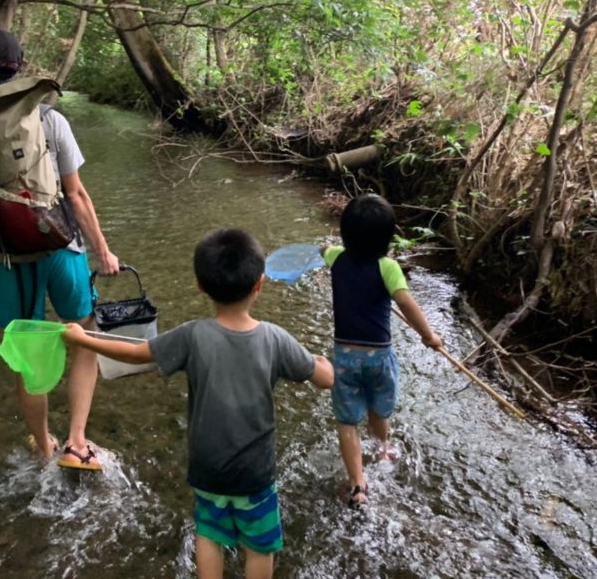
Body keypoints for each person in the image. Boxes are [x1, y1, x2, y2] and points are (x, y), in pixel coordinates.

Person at [63, 228, 334, 579]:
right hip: (255, 471)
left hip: (208, 468)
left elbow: (134, 354)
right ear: (259, 285)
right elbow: (324, 379)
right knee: (260, 544)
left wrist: (85, 338)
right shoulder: (275, 339)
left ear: (201, 287)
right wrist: (324, 362)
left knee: (210, 536)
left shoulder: (192, 335)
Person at [0, 21, 119, 470]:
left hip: (10, 259)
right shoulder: (49, 119)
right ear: (18, 69)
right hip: (62, 249)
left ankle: (43, 446)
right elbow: (76, 194)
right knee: (84, 337)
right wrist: (103, 250)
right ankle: (78, 441)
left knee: (29, 355)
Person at [320, 193, 443, 510]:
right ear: (388, 239)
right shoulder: (388, 267)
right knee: (378, 408)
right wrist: (429, 337)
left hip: (345, 357)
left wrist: (324, 248)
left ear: (345, 233)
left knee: (347, 422)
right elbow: (405, 302)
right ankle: (383, 448)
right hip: (379, 358)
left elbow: (324, 250)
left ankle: (358, 485)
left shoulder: (336, 257)